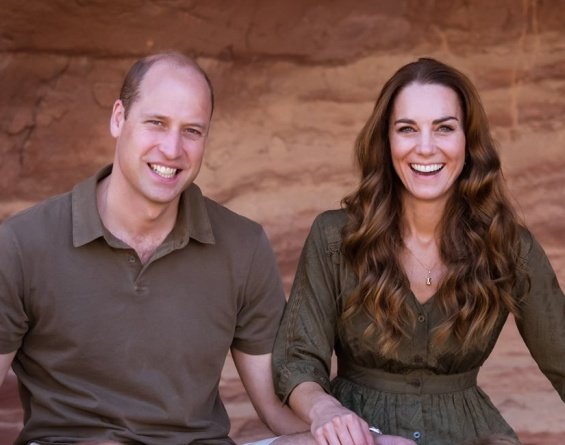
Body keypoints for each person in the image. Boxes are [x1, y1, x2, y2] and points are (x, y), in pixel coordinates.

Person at [0, 51, 309, 444]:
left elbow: (275, 405)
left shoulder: (242, 245)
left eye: (192, 131)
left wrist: (355, 431)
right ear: (118, 118)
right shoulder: (24, 244)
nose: (172, 148)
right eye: (156, 123)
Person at [272, 57, 565, 445]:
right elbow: (297, 360)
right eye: (407, 129)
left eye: (444, 128)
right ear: (386, 141)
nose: (425, 148)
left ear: (468, 141)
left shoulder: (509, 247)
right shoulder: (335, 238)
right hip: (361, 437)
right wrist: (325, 409)